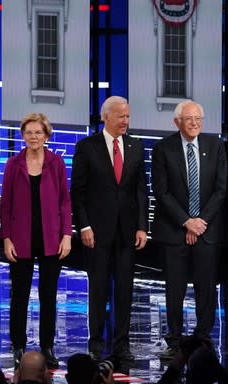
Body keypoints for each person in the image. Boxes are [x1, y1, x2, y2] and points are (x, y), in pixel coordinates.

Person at [70, 96, 148, 364]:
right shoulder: (86, 147)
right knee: (99, 288)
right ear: (105, 117)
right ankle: (95, 343)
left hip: (127, 231)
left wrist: (142, 226)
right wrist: (84, 226)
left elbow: (141, 190)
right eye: (120, 116)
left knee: (125, 289)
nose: (125, 121)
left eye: (127, 116)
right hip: (97, 231)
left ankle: (121, 344)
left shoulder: (136, 147)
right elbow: (77, 192)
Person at [151, 99, 228, 357]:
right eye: (189, 119)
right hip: (174, 230)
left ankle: (203, 337)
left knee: (206, 287)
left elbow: (220, 190)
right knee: (175, 288)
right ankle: (174, 340)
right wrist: (186, 221)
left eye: (198, 118)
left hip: (206, 229)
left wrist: (199, 223)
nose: (195, 123)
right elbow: (161, 192)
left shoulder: (215, 146)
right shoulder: (163, 149)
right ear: (177, 122)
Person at [0, 112, 72, 369]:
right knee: (19, 295)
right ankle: (18, 346)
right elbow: (5, 204)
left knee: (48, 295)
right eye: (29, 132)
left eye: (38, 132)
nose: (33, 137)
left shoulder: (56, 163)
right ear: (23, 136)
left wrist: (66, 234)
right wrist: (6, 238)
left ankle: (47, 347)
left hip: (51, 237)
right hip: (21, 239)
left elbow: (65, 200)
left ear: (46, 135)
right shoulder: (13, 164)